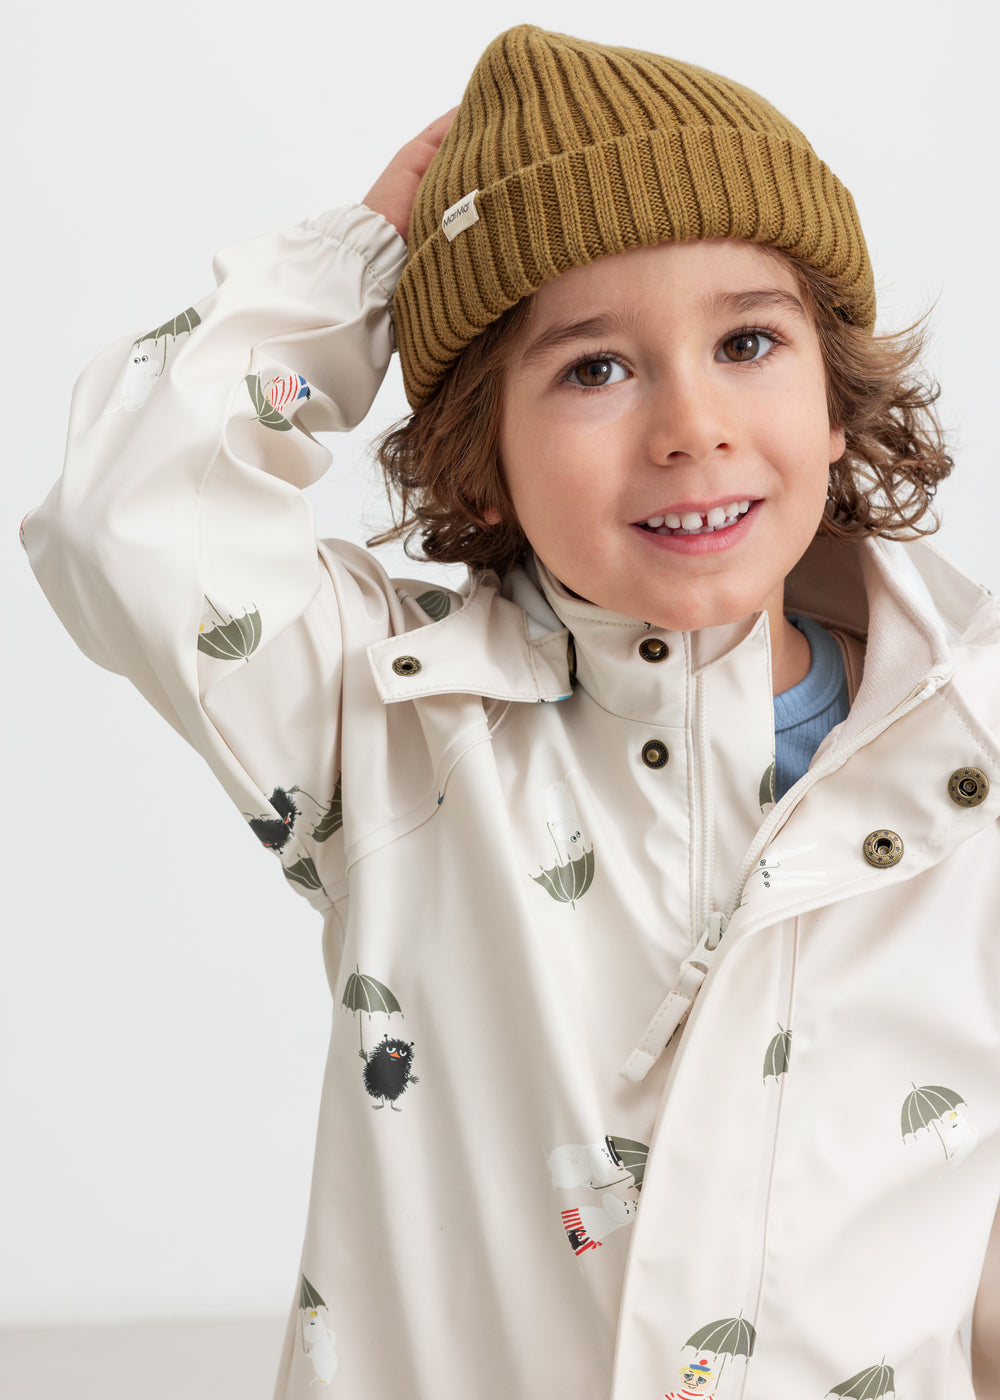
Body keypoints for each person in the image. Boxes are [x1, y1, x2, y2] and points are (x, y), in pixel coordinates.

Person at [22, 23, 1000, 1399]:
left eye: (748, 341)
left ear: (835, 403)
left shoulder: (968, 765)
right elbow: (124, 520)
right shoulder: (399, 723)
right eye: (595, 368)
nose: (691, 423)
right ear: (478, 466)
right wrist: (360, 262)